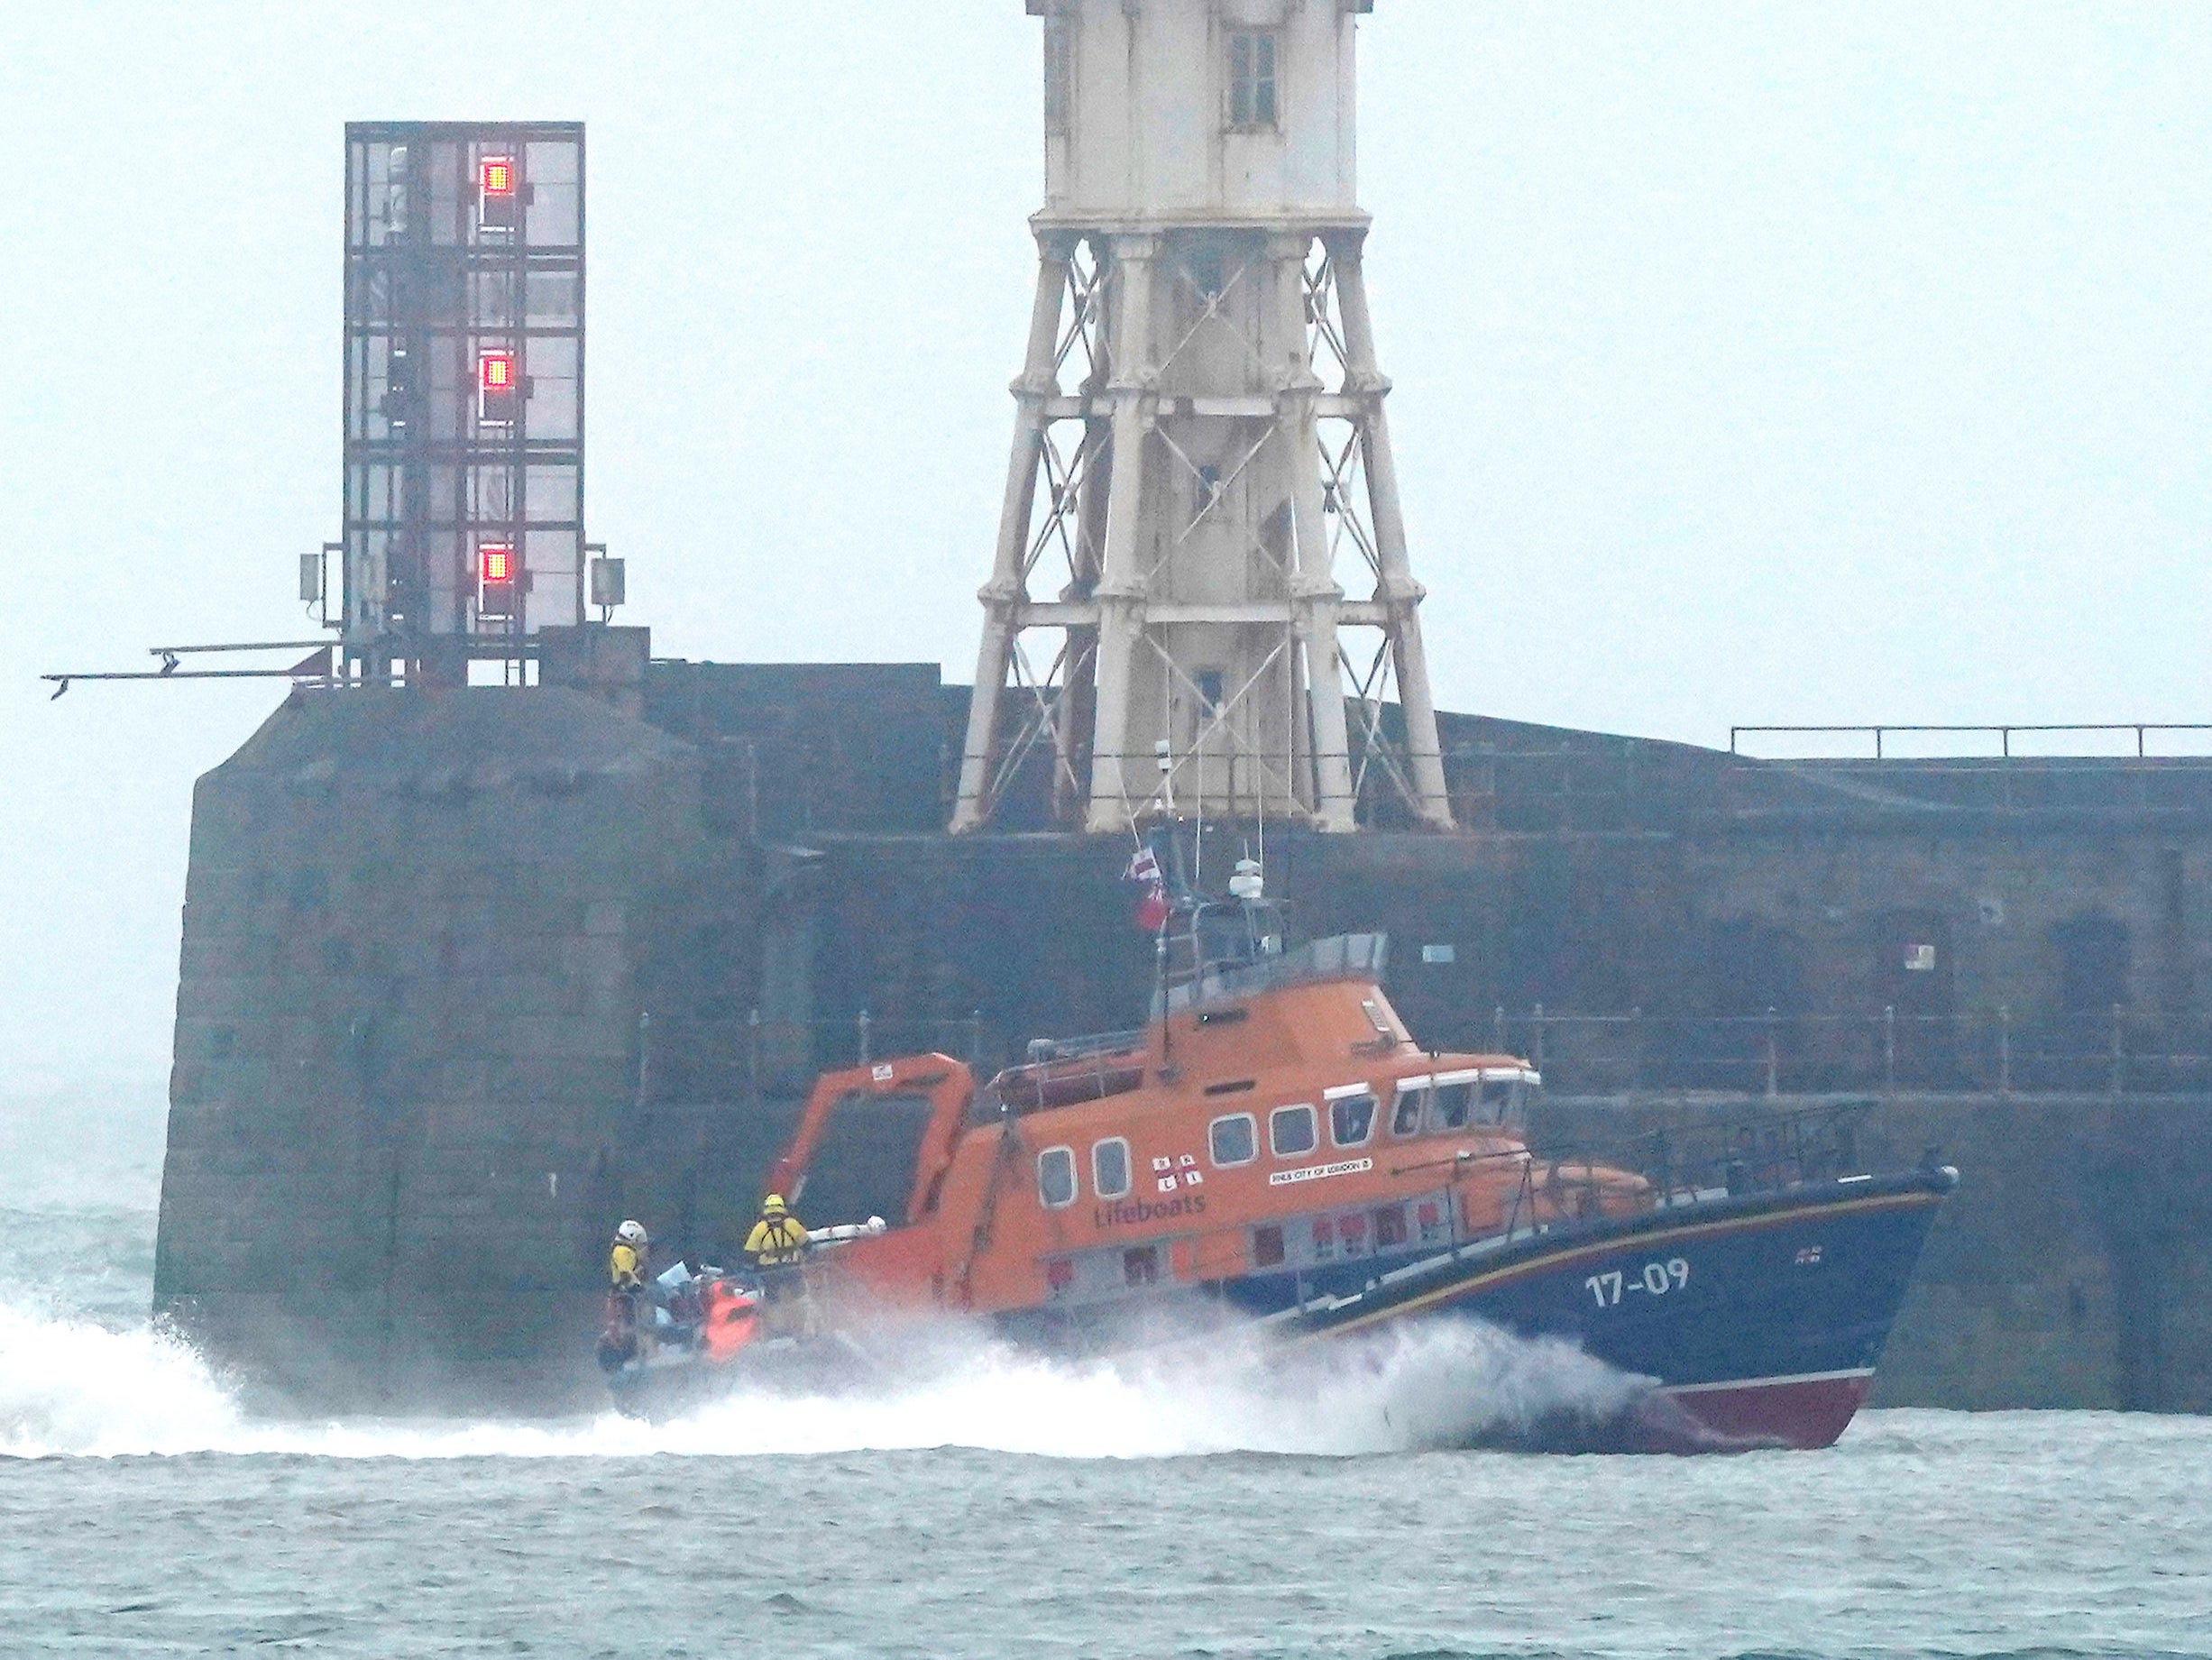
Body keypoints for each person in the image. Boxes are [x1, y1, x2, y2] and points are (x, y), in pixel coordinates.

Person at [744, 1194, 810, 1303]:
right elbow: (807, 1245)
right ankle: (804, 1317)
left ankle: (774, 1318)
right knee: (800, 1296)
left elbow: (750, 1254)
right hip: (791, 1268)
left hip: (769, 1272)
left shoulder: (760, 1228)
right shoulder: (792, 1224)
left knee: (772, 1301)